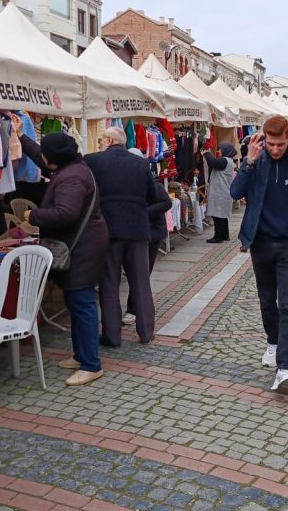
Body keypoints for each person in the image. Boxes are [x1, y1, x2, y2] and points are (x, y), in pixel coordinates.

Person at [230, 115, 288, 394]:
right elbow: (235, 192)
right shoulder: (256, 163)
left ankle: (285, 370)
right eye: (270, 143)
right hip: (260, 243)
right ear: (263, 139)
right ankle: (272, 342)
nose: (275, 149)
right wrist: (249, 161)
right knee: (267, 301)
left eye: (280, 144)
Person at [20, 131, 109, 384]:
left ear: (54, 157)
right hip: (82, 245)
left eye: (45, 152)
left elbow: (66, 213)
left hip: (82, 249)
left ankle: (91, 365)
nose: (43, 157)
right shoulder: (71, 168)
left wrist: (33, 217)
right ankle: (81, 355)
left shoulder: (71, 177)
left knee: (82, 304)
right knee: (76, 301)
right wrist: (22, 138)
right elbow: (43, 158)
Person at [86, 127, 164, 346]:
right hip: (138, 229)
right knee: (141, 282)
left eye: (102, 139)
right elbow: (152, 195)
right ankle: (146, 331)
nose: (100, 142)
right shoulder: (140, 163)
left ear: (109, 140)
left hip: (109, 229)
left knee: (109, 283)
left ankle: (112, 335)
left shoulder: (93, 161)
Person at [123, 150, 173, 327]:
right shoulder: (125, 179)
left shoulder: (149, 178)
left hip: (151, 233)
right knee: (135, 273)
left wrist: (142, 213)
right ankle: (136, 310)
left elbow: (166, 202)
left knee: (141, 274)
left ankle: (134, 310)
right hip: (134, 231)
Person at [203, 142, 236, 243]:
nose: (218, 151)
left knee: (218, 216)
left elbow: (212, 162)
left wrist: (206, 153)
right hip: (223, 192)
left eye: (220, 149)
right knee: (222, 216)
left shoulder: (225, 161)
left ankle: (218, 237)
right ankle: (225, 235)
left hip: (221, 193)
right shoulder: (229, 161)